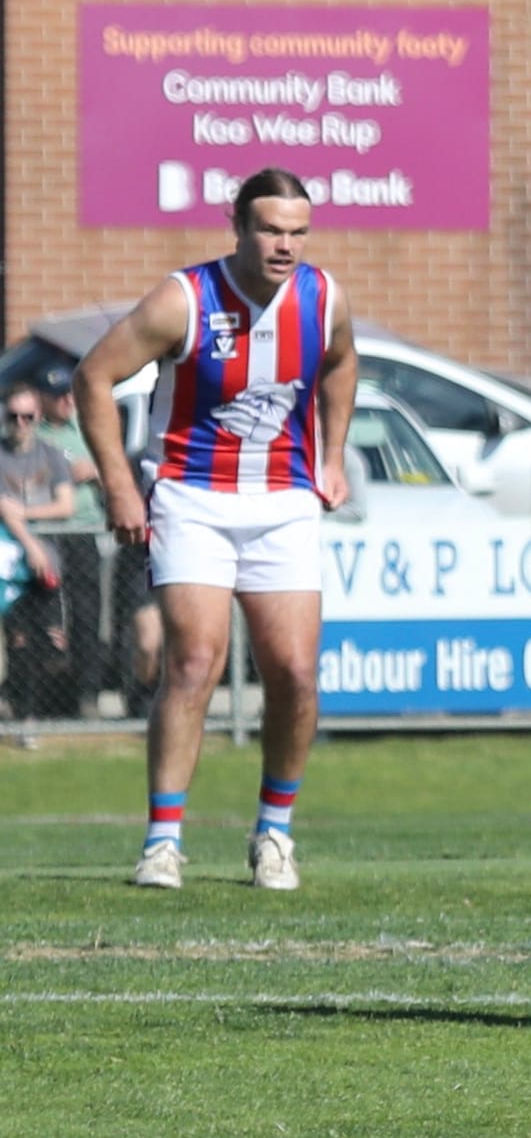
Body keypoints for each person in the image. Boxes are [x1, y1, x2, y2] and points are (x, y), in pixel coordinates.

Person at [75, 166, 357, 892]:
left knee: (294, 672)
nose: (285, 245)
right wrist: (118, 486)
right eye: (271, 229)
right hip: (191, 496)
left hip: (284, 499)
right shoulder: (186, 299)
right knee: (195, 662)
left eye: (298, 232)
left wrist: (332, 455)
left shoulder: (323, 298)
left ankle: (275, 834)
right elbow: (93, 377)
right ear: (237, 227)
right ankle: (163, 842)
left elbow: (341, 361)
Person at [33, 365, 111, 714]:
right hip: (46, 535)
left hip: (84, 531)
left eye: (69, 393)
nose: (66, 400)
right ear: (43, 399)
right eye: (58, 396)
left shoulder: (87, 429)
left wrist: (94, 471)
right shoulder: (33, 432)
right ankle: (44, 697)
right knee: (45, 616)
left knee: (87, 614)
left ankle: (87, 695)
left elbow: (117, 472)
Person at [0, 381, 78, 718]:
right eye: (13, 416)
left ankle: (39, 712)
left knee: (48, 639)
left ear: (38, 416)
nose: (20, 423)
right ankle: (22, 713)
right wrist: (30, 542)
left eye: (27, 417)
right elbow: (3, 508)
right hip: (9, 567)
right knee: (16, 639)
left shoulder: (50, 454)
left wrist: (25, 512)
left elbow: (66, 505)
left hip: (46, 562)